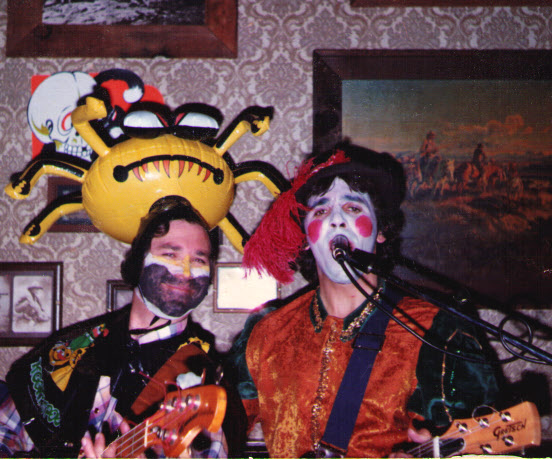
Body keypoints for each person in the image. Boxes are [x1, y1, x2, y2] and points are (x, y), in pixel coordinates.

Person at [230, 143, 502, 458]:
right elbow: (222, 426)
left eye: (353, 208)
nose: (336, 220)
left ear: (382, 230)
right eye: (320, 210)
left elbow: (477, 441)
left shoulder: (435, 330)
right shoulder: (266, 331)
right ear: (305, 237)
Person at [0, 197, 245, 458]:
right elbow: (5, 431)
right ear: (139, 261)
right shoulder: (75, 344)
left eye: (199, 260)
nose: (185, 272)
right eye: (170, 254)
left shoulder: (203, 384)